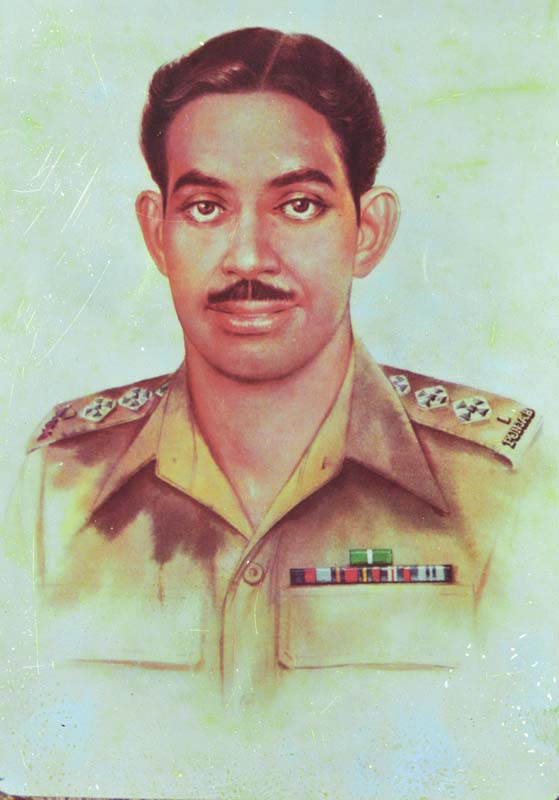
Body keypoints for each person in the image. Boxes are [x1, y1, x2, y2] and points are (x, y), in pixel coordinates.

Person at [1, 26, 556, 800]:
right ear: (156, 233)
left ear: (367, 230)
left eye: (298, 205)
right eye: (205, 207)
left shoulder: (500, 491)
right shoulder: (59, 486)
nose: (247, 257)